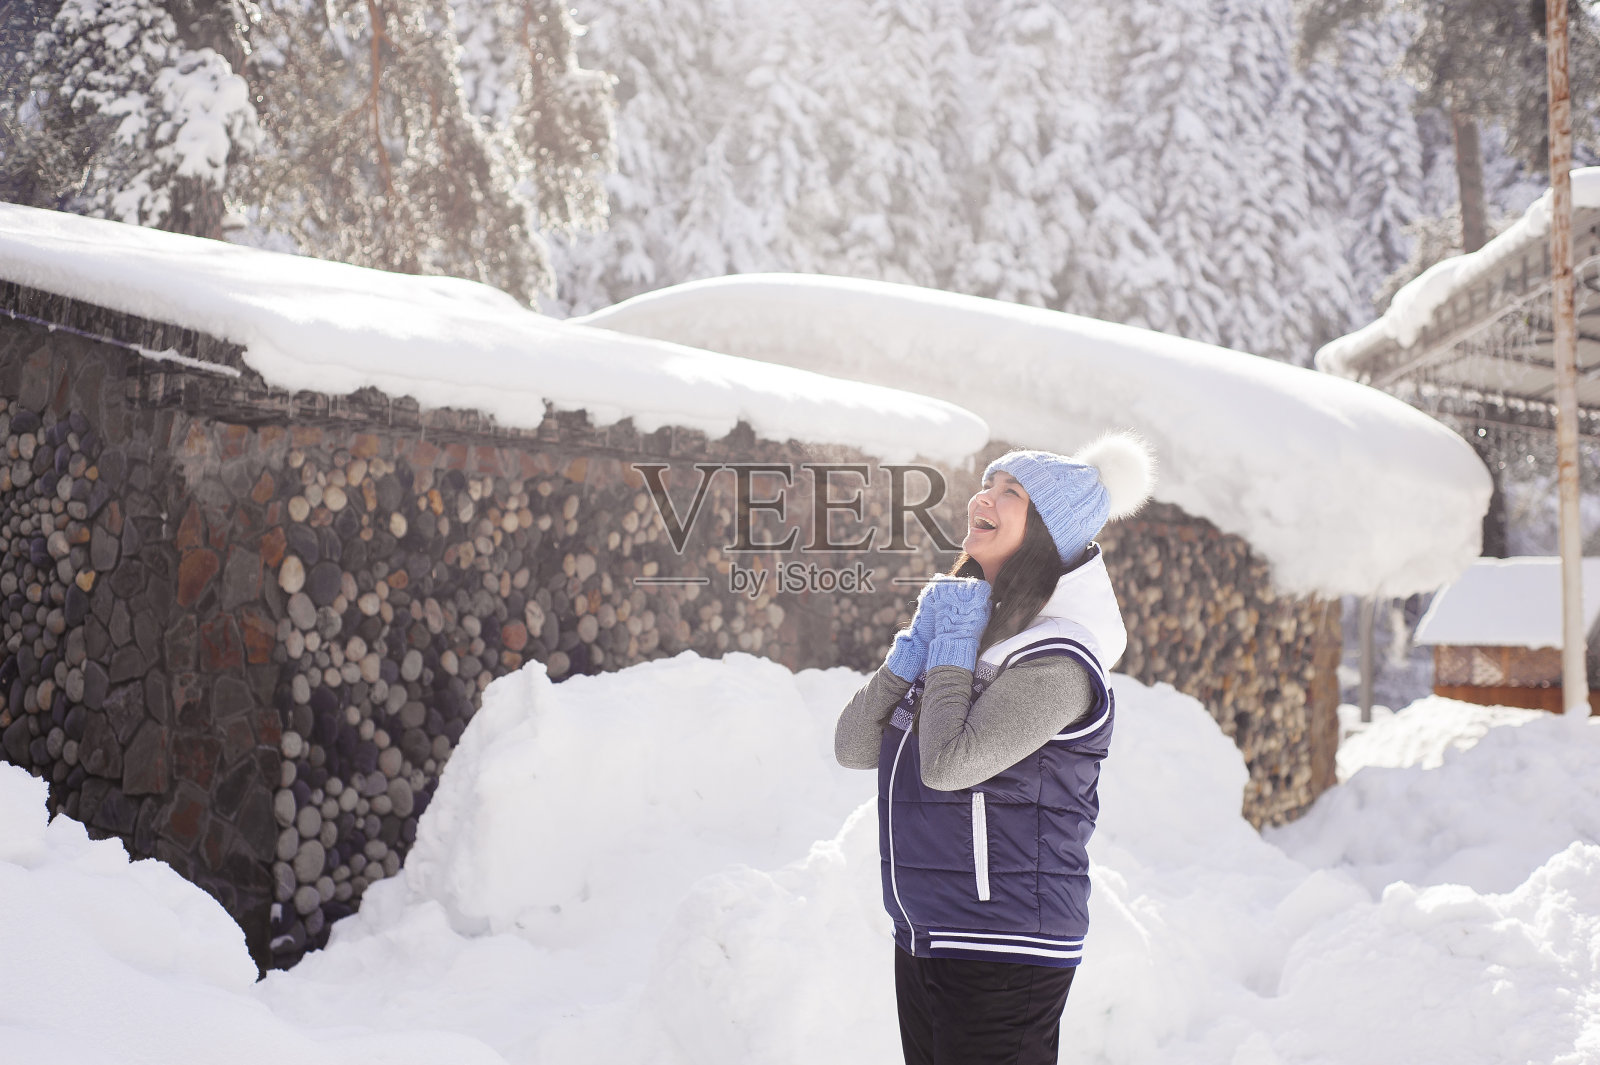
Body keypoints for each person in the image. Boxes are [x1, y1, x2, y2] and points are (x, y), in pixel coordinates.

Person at [835, 433, 1154, 1065]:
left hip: (1006, 944)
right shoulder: (975, 634)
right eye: (990, 483)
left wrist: (951, 645)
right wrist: (916, 645)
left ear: (1046, 534)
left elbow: (951, 765)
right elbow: (852, 744)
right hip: (930, 931)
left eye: (1013, 493)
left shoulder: (1059, 658)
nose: (986, 495)